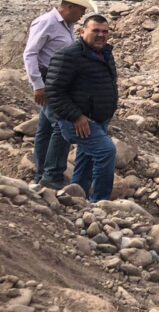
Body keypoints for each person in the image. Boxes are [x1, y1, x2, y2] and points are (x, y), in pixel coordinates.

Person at [22, 0, 98, 189]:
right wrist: (38, 85)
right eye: (82, 10)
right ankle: (52, 177)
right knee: (63, 125)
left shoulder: (66, 25)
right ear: (70, 7)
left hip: (57, 81)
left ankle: (41, 175)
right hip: (48, 82)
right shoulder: (47, 22)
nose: (83, 15)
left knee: (46, 128)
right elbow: (30, 54)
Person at [45, 14, 118, 202]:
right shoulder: (69, 55)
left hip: (99, 119)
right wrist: (76, 116)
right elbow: (54, 90)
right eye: (96, 30)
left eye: (105, 31)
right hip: (79, 121)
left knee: (85, 162)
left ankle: (76, 199)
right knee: (106, 151)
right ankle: (100, 203)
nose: (101, 35)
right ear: (82, 31)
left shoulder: (105, 53)